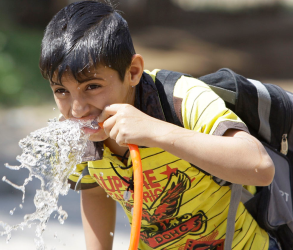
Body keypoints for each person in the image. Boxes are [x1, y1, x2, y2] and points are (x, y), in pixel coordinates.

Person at [39, 1, 277, 250]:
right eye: (61, 90)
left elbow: (260, 167)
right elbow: (95, 190)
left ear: (132, 72)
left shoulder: (180, 99)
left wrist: (154, 131)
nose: (77, 109)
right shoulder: (74, 133)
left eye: (92, 86)